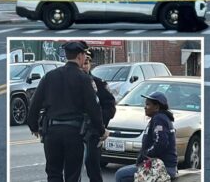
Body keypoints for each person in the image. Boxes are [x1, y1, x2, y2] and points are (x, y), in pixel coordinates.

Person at [27, 41, 108, 182]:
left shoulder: (49, 76)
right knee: (72, 175)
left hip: (51, 133)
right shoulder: (83, 79)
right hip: (74, 133)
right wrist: (101, 131)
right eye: (84, 55)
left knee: (53, 174)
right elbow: (93, 109)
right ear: (80, 56)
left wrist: (34, 126)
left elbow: (34, 104)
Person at [115, 92, 178, 182]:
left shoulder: (159, 119)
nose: (145, 107)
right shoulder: (160, 118)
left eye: (148, 104)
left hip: (162, 167)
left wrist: (146, 154)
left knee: (121, 175)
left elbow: (161, 143)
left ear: (157, 107)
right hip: (161, 165)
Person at [82, 51, 116, 182]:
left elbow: (110, 107)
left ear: (90, 64)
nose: (84, 66)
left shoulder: (98, 83)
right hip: (74, 130)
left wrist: (99, 123)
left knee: (92, 164)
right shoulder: (71, 83)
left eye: (87, 63)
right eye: (82, 63)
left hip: (93, 131)